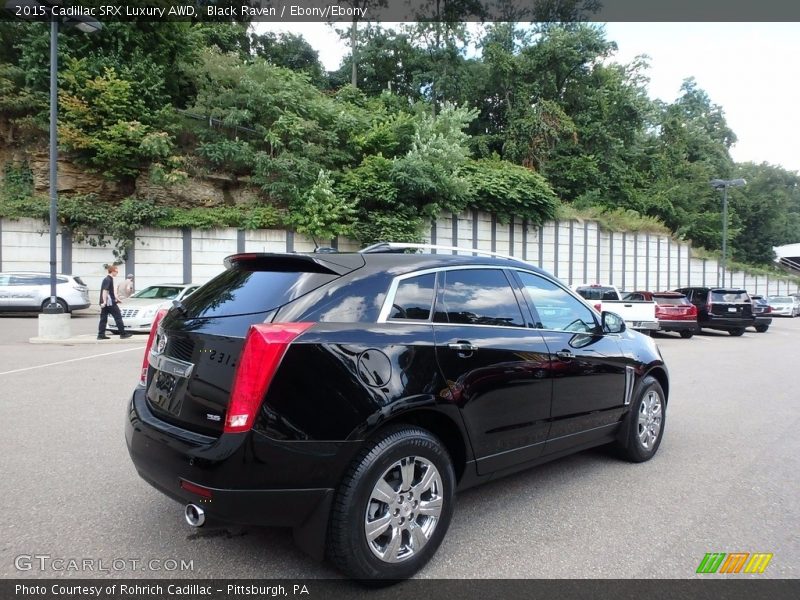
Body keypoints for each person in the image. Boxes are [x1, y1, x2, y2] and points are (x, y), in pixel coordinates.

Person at [98, 264, 132, 340]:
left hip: (107, 303)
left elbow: (110, 292)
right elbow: (105, 291)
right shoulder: (108, 279)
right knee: (118, 317)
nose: (117, 273)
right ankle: (123, 334)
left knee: (103, 318)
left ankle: (101, 334)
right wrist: (104, 301)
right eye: (116, 271)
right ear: (112, 271)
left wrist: (116, 299)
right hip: (109, 303)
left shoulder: (108, 279)